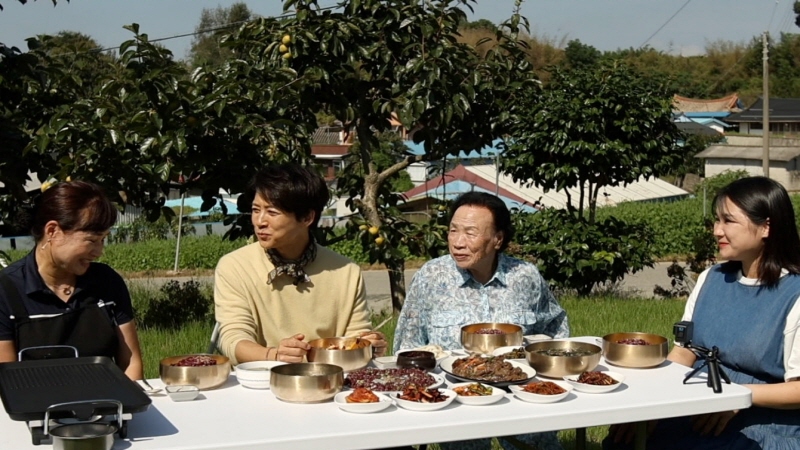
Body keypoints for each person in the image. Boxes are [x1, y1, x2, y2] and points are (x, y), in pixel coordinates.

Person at [606, 176, 800, 450]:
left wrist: (736, 396)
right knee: (626, 438)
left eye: (728, 221)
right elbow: (685, 352)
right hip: (700, 405)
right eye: (716, 220)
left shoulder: (794, 294)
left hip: (761, 423)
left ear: (766, 227)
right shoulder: (712, 278)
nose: (717, 231)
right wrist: (652, 407)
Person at [394, 191, 569, 450]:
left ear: (498, 239)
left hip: (521, 394)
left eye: (471, 233)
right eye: (453, 231)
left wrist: (548, 379)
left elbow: (556, 328)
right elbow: (407, 346)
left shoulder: (524, 276)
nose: (458, 242)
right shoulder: (431, 276)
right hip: (455, 400)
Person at [214, 163, 387, 365]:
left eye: (272, 212)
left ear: (307, 217)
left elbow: (354, 338)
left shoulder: (346, 272)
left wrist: (369, 344)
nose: (260, 221)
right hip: (261, 378)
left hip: (329, 378)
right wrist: (274, 356)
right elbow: (232, 338)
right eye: (255, 210)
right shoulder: (235, 267)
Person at [0, 181, 143, 380]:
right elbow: (6, 380)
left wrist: (128, 398)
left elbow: (130, 362)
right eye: (91, 240)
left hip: (105, 398)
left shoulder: (107, 282)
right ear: (52, 231)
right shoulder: (7, 290)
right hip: (35, 399)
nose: (99, 252)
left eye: (103, 240)